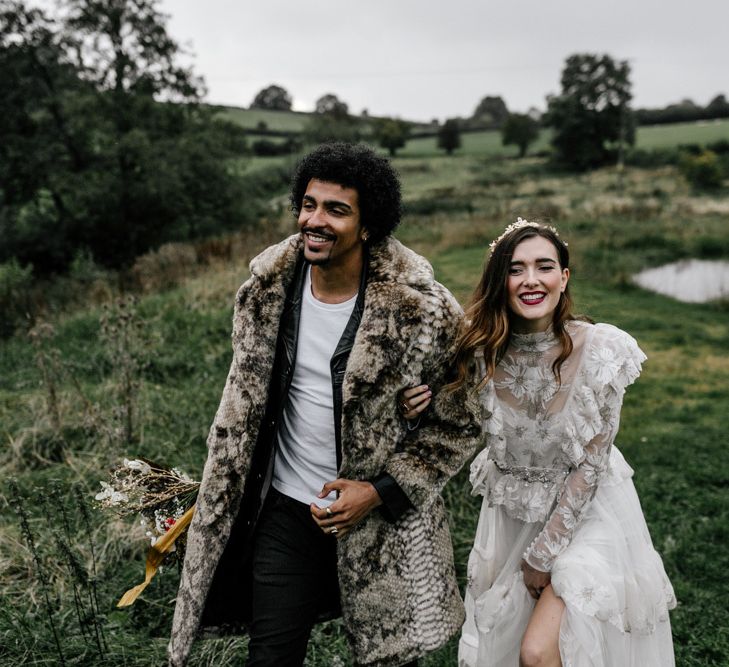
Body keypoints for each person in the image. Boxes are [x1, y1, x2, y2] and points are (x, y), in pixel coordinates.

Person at [167, 143, 481, 667]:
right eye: (309, 204)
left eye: (337, 210)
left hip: (377, 521)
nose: (316, 221)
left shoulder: (419, 308)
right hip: (286, 510)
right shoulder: (265, 293)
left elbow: (464, 415)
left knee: (388, 660)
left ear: (367, 226)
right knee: (270, 656)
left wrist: (381, 489)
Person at [400, 219, 676, 666]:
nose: (531, 280)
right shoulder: (477, 350)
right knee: (513, 646)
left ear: (563, 278)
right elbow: (446, 419)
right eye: (516, 269)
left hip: (589, 513)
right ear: (500, 281)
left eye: (544, 267)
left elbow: (591, 466)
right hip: (510, 519)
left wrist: (544, 556)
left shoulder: (601, 350)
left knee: (536, 651)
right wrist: (416, 406)